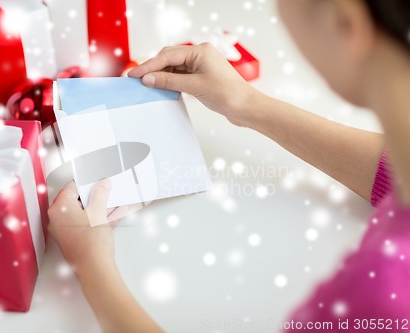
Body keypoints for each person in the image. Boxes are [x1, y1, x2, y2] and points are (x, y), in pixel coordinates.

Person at [48, 0, 410, 332]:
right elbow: (394, 172)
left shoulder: (376, 294)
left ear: (346, 22)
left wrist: (91, 264)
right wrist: (246, 104)